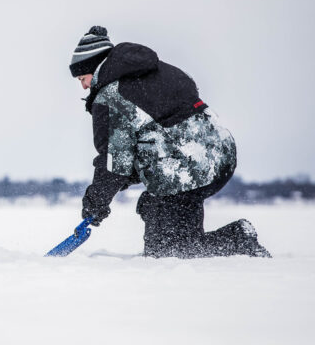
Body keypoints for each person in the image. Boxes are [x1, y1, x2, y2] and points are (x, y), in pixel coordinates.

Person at [70, 26, 270, 258]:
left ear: (93, 68)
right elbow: (152, 140)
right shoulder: (158, 71)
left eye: (82, 78)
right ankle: (232, 242)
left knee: (168, 253)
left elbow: (115, 161)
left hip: (183, 172)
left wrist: (94, 204)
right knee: (175, 236)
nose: (84, 86)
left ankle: (238, 240)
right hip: (216, 157)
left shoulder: (110, 95)